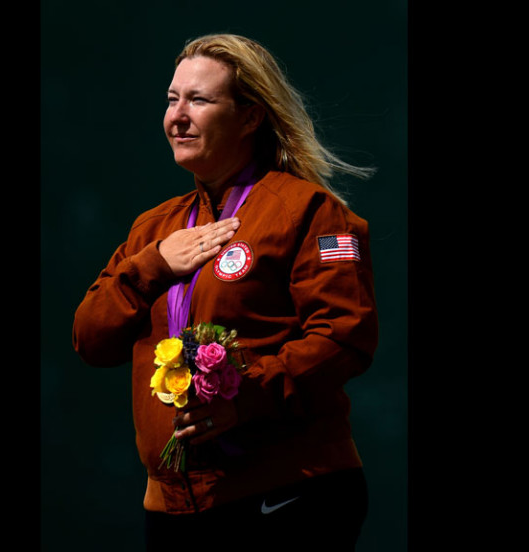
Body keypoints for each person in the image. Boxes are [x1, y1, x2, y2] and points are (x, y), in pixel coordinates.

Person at [72, 33, 378, 550]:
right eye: (172, 99)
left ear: (251, 116)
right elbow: (90, 339)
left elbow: (345, 337)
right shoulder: (154, 230)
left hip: (289, 490)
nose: (178, 116)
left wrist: (247, 394)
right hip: (173, 504)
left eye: (199, 100)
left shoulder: (309, 211)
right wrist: (153, 266)